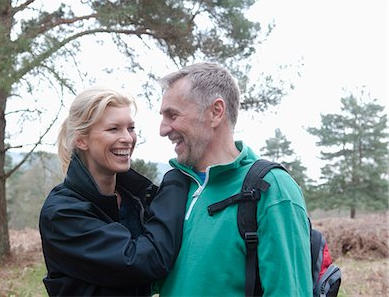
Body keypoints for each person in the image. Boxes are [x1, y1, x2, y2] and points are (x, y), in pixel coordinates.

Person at [156, 62, 312, 296]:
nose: (163, 129)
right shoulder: (176, 187)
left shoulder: (271, 189)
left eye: (173, 115)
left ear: (215, 112)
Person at [39, 87, 189, 296]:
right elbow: (144, 261)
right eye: (113, 129)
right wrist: (177, 181)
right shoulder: (62, 213)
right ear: (82, 140)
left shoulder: (135, 200)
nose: (127, 138)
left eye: (131, 128)